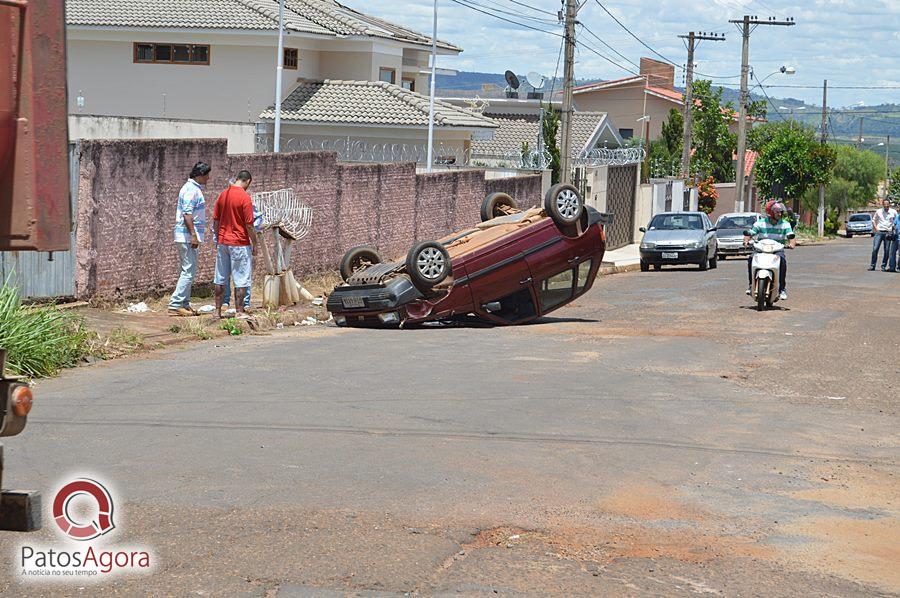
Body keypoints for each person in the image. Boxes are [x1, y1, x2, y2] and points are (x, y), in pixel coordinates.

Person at [168, 161, 211, 317]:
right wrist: (193, 235)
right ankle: (176, 303)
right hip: (186, 236)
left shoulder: (192, 189)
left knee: (187, 270)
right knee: (188, 271)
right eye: (206, 175)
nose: (208, 179)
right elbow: (187, 214)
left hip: (187, 236)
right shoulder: (191, 190)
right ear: (200, 175)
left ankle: (184, 304)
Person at [213, 170, 257, 318]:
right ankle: (239, 311)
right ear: (248, 181)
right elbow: (249, 225)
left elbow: (216, 220)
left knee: (220, 277)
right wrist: (255, 243)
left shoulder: (223, 195)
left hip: (223, 242)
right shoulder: (245, 198)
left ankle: (217, 311)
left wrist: (218, 237)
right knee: (241, 278)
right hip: (239, 243)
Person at [743, 200, 796, 300]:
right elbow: (751, 232)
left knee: (782, 261)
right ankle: (751, 285)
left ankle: (782, 289)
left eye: (781, 212)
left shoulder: (785, 224)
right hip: (760, 249)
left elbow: (791, 236)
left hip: (777, 249)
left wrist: (791, 244)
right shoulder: (760, 223)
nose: (780, 214)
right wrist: (746, 240)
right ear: (770, 212)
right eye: (777, 212)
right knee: (751, 259)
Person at [220, 192, 263, 312]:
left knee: (238, 275)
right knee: (239, 275)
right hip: (234, 243)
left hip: (234, 242)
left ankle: (244, 303)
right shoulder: (227, 201)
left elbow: (256, 220)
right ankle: (232, 304)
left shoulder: (243, 201)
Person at [869, 199, 897, 271]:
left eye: (888, 204)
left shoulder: (893, 212)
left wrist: (893, 230)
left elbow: (896, 221)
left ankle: (883, 266)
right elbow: (874, 220)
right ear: (883, 204)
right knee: (875, 249)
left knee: (887, 250)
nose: (886, 206)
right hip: (879, 232)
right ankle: (872, 265)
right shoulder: (879, 211)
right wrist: (876, 228)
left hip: (888, 233)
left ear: (889, 205)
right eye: (885, 204)